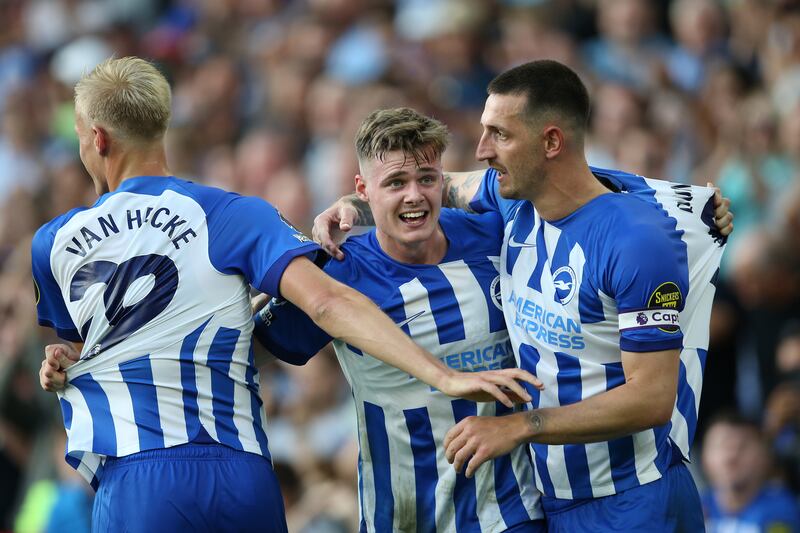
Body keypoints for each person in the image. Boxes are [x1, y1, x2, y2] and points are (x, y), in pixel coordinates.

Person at [32, 57, 537, 533]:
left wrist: (68, 357)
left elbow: (107, 337)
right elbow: (317, 304)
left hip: (138, 475)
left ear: (96, 139)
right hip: (242, 471)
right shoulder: (230, 213)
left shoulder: (52, 243)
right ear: (163, 123)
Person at [313, 60, 732, 531]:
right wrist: (351, 205)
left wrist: (518, 427)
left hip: (636, 496)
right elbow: (437, 184)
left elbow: (652, 399)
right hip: (552, 504)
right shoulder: (510, 203)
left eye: (500, 135)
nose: (483, 150)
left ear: (551, 142)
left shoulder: (636, 241)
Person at [252, 107, 545, 532]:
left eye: (426, 178)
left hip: (510, 512)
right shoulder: (338, 273)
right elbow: (244, 351)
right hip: (401, 519)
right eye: (394, 183)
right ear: (363, 190)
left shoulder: (495, 237)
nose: (414, 195)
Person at [701, 412, 800, 532]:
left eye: (742, 446)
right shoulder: (691, 508)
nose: (731, 456)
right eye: (722, 445)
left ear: (765, 456)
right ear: (704, 457)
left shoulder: (782, 508)